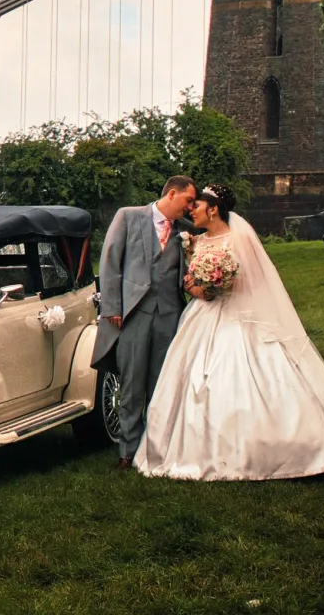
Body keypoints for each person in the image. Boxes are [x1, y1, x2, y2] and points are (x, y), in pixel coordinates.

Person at [134, 184, 324, 480]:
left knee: (256, 377)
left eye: (198, 205)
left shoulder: (240, 238)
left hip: (239, 316)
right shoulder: (194, 241)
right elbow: (189, 279)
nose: (192, 211)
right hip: (202, 317)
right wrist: (196, 287)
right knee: (194, 379)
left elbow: (256, 281)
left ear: (213, 209)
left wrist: (218, 284)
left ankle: (289, 447)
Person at [94, 175, 200, 469]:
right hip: (132, 315)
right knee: (131, 385)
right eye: (188, 200)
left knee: (161, 384)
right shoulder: (128, 217)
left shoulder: (187, 231)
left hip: (170, 315)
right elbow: (110, 262)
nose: (191, 207)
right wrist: (112, 306)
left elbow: (190, 272)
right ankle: (127, 452)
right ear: (172, 194)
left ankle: (155, 451)